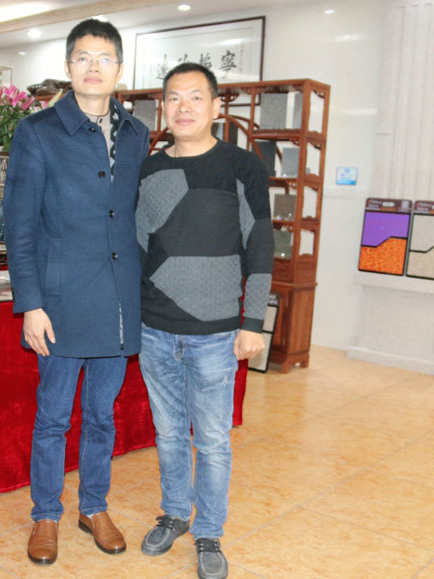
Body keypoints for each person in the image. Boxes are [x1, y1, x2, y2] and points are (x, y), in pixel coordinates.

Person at [3, 19, 150, 567]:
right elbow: (20, 225)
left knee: (102, 416)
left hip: (117, 301)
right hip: (60, 302)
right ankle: (46, 513)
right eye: (83, 57)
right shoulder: (38, 131)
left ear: (119, 69)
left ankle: (94, 506)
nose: (94, 67)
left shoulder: (136, 134)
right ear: (69, 66)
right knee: (52, 418)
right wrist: (30, 303)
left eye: (104, 58)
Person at [135, 62, 274, 579]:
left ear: (216, 106)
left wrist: (253, 321)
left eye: (196, 96)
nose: (184, 106)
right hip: (155, 328)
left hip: (216, 333)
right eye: (174, 97)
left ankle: (209, 531)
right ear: (163, 108)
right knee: (169, 433)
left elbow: (260, 245)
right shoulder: (148, 169)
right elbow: (138, 246)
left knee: (212, 439)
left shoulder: (242, 165)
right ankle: (175, 513)